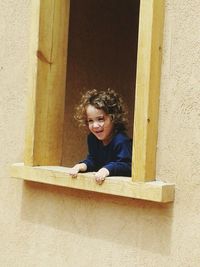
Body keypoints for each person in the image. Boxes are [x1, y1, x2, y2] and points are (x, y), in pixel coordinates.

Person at [68, 88, 132, 185]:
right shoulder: (92, 139)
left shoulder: (121, 141)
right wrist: (81, 166)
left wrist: (106, 170)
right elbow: (93, 160)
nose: (95, 125)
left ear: (113, 118)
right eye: (90, 121)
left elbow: (127, 166)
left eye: (100, 119)